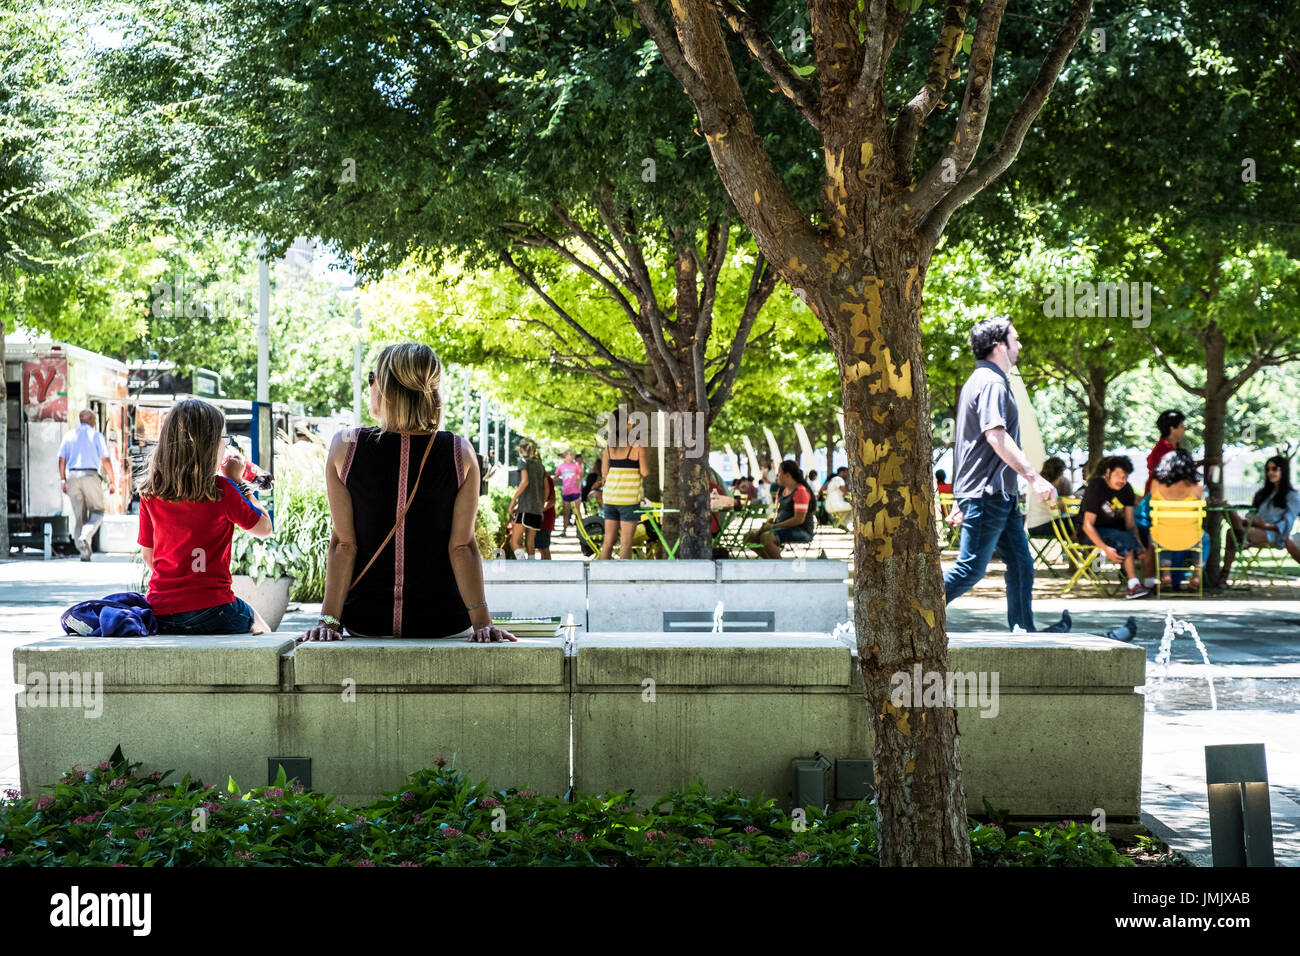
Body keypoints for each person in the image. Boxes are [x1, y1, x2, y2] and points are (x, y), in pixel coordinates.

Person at [297, 343, 515, 643]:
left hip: (366, 621)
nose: (370, 384)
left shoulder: (345, 447)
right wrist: (483, 624)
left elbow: (344, 544)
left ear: (384, 387)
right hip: (443, 621)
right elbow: (462, 546)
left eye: (373, 377)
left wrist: (329, 622)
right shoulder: (459, 452)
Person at [943, 316, 1071, 632]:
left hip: (996, 495)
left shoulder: (982, 380)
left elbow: (968, 445)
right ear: (1000, 346)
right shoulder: (990, 383)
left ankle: (1024, 632)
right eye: (1016, 339)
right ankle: (904, 615)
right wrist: (1034, 477)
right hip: (988, 494)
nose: (1020, 345)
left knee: (1022, 564)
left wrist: (962, 494)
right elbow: (994, 436)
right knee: (970, 569)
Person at [137, 399, 272, 634]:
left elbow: (149, 558)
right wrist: (239, 482)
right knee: (261, 628)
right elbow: (264, 528)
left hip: (161, 610)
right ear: (210, 445)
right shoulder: (222, 489)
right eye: (224, 439)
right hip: (215, 608)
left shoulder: (150, 492)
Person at [1078, 455, 1151, 599]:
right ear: (1107, 473)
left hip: (1116, 531)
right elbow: (1087, 525)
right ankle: (1133, 585)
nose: (1122, 480)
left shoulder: (1126, 489)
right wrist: (1105, 549)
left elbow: (1130, 523)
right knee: (1123, 538)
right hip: (1091, 532)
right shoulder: (1096, 487)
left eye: (1125, 477)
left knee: (1144, 534)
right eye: (1118, 475)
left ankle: (1150, 583)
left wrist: (1139, 543)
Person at [1222, 455, 1300, 580]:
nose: (1270, 472)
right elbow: (1252, 514)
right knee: (1227, 509)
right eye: (1268, 469)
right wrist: (1248, 520)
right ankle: (1243, 536)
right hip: (1252, 527)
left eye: (1274, 469)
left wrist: (1264, 526)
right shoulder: (1262, 494)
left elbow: (1288, 523)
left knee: (1230, 534)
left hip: (1274, 534)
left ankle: (1224, 576)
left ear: (1283, 470)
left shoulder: (1292, 496)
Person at [58, 409, 117, 561]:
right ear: (92, 420)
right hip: (90, 475)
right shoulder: (96, 436)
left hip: (72, 476)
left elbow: (61, 460)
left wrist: (63, 479)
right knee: (97, 511)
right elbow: (105, 460)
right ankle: (85, 535)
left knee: (79, 516)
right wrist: (112, 480)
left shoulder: (69, 435)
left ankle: (84, 552)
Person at [1149, 448, 1210, 590]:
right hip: (1191, 538)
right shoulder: (1197, 487)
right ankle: (1196, 576)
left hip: (1162, 538)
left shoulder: (1156, 485)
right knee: (1205, 539)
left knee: (1159, 534)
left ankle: (1166, 576)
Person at [600, 408, 649, 559]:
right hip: (628, 500)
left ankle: (600, 576)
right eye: (629, 420)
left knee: (608, 541)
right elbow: (645, 472)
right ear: (626, 425)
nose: (632, 422)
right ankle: (623, 580)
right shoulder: (637, 446)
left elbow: (604, 472)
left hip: (610, 498)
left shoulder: (609, 447)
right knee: (626, 542)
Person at [747, 460, 816, 558]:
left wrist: (773, 527)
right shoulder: (781, 491)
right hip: (781, 527)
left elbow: (799, 520)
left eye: (779, 473)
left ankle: (779, 566)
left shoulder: (800, 491)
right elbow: (777, 514)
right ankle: (771, 562)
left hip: (801, 530)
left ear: (787, 475)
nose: (777, 476)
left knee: (766, 537)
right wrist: (769, 523)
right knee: (750, 536)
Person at [508, 440, 547, 559]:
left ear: (520, 449)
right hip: (537, 510)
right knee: (530, 544)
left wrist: (513, 500)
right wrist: (541, 507)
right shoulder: (540, 465)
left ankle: (524, 568)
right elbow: (545, 488)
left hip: (525, 508)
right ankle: (532, 572)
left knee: (514, 542)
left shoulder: (523, 462)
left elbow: (525, 481)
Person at [1025, 456, 1074, 537]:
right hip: (1042, 527)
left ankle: (1071, 548)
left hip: (1033, 528)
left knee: (1072, 523)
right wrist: (1066, 502)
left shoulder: (1041, 486)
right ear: (1059, 473)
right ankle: (1075, 548)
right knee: (1077, 522)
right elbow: (1054, 510)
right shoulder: (1049, 489)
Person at [554, 450, 583, 536]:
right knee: (566, 512)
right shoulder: (561, 466)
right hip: (566, 492)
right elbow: (556, 476)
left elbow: (581, 475)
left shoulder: (576, 465)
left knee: (577, 512)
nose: (572, 456)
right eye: (570, 454)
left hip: (575, 491)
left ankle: (581, 531)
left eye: (572, 454)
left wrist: (578, 481)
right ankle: (564, 531)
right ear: (565, 456)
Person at [535, 472, 557, 560]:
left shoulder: (545, 477)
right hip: (540, 516)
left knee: (544, 548)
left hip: (545, 518)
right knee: (541, 548)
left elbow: (552, 500)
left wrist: (540, 510)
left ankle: (548, 570)